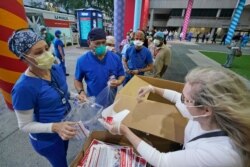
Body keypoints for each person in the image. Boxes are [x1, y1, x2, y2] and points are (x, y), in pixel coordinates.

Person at [99, 66, 250, 167]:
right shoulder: (206, 116)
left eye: (186, 98)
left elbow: (161, 161)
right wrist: (152, 88)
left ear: (206, 109)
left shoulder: (222, 153)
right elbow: (178, 98)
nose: (182, 100)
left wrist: (124, 130)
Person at [8, 28, 83, 167]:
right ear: (24, 58)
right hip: (48, 140)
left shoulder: (54, 68)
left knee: (64, 154)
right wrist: (55, 127)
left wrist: (77, 96)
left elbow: (62, 92)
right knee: (60, 163)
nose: (47, 54)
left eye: (47, 48)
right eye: (38, 52)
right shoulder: (23, 88)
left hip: (64, 129)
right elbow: (24, 125)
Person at [74, 28, 125, 107]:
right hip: (93, 103)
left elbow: (121, 75)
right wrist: (81, 92)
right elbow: (77, 80)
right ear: (89, 43)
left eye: (103, 43)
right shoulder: (82, 61)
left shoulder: (115, 58)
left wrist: (119, 82)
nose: (101, 46)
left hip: (111, 101)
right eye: (97, 43)